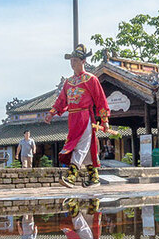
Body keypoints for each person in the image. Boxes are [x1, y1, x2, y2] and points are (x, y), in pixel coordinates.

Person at [45, 44, 110, 189]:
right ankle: (94, 178)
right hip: (72, 118)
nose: (72, 63)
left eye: (75, 60)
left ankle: (72, 176)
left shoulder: (91, 79)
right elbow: (61, 100)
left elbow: (100, 100)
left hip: (85, 116)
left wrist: (104, 121)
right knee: (84, 147)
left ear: (83, 62)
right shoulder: (69, 82)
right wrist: (51, 113)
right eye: (71, 60)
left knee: (79, 146)